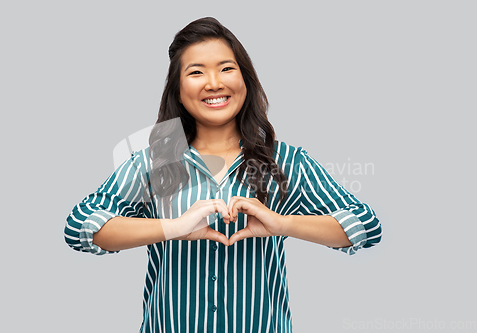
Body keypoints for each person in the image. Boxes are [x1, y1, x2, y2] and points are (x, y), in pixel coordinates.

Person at [64, 17, 382, 333]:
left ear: (246, 79)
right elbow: (81, 227)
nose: (214, 83)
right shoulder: (151, 163)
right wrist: (172, 228)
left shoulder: (286, 161)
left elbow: (365, 227)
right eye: (196, 72)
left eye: (226, 68)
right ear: (177, 88)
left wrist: (283, 224)